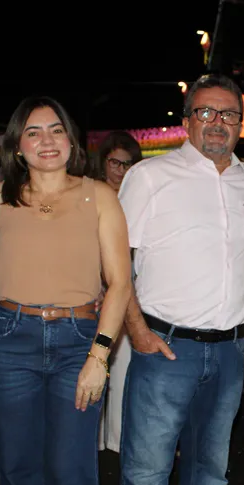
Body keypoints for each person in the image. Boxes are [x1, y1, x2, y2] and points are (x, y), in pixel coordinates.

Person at [118, 73, 244, 485]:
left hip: (230, 350)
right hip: (165, 347)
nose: (217, 123)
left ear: (240, 124)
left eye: (228, 114)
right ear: (186, 121)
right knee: (147, 471)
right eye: (205, 112)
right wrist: (136, 331)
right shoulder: (150, 176)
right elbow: (116, 262)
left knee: (211, 468)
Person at [0, 96, 131, 485]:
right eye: (33, 132)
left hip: (78, 342)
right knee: (19, 474)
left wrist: (99, 356)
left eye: (56, 130)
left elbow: (120, 283)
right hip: (10, 339)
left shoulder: (99, 196)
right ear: (17, 144)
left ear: (72, 139)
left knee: (73, 476)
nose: (46, 140)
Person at [88, 130, 143, 454]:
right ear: (103, 162)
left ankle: (117, 443)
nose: (121, 170)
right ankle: (91, 441)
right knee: (94, 365)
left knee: (123, 371)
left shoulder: (139, 197)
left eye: (128, 163)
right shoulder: (90, 195)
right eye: (115, 163)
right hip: (92, 290)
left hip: (130, 291)